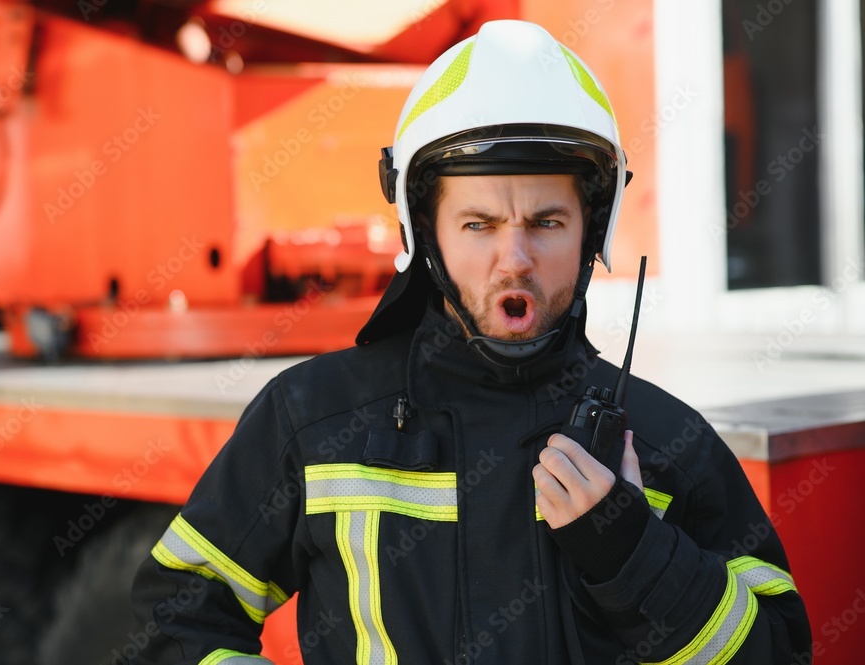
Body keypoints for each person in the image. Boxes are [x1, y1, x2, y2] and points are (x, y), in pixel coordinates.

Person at [131, 20, 811, 664]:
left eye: (545, 220)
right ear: (424, 231)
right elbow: (173, 618)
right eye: (479, 224)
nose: (514, 258)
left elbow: (779, 650)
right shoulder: (312, 420)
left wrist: (635, 554)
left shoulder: (665, 443)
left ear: (591, 231)